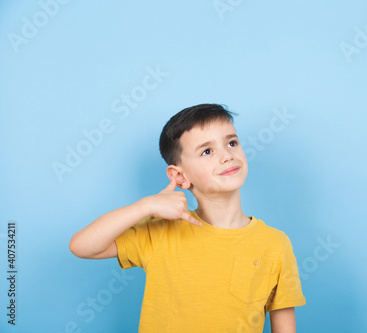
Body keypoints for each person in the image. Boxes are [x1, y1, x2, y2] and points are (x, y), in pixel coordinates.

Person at [69, 103, 306, 332]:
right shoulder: (160, 232)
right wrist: (145, 206)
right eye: (207, 151)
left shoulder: (275, 244)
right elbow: (82, 246)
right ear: (180, 177)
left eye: (231, 143)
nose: (226, 156)